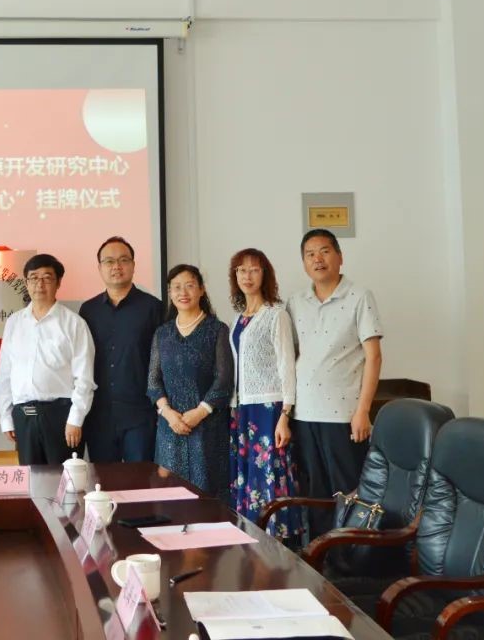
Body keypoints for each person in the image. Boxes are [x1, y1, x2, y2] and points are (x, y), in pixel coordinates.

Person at [287, 229, 383, 537]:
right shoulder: (295, 302)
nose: (318, 259)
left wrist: (363, 411)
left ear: (340, 257)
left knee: (349, 491)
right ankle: (320, 554)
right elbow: (291, 357)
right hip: (304, 414)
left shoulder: (359, 296)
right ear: (304, 263)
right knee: (314, 493)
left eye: (325, 251)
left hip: (344, 416)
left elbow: (374, 357)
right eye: (310, 254)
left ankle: (351, 554)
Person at [226, 249, 301, 539]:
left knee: (270, 471)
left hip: (269, 410)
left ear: (265, 275)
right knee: (247, 474)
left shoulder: (276, 315)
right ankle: (252, 534)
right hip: (242, 408)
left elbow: (287, 365)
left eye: (254, 270)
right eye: (241, 270)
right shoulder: (238, 318)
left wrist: (285, 414)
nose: (247, 276)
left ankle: (277, 538)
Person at [0, 254, 96, 465]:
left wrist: (75, 419)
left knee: (64, 480)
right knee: (31, 480)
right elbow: (5, 374)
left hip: (61, 416)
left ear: (58, 283)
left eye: (47, 278)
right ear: (26, 283)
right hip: (23, 416)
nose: (39, 284)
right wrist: (6, 418)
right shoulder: (14, 323)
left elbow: (84, 378)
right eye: (33, 278)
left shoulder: (74, 323)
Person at [147, 264, 233, 499]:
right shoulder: (162, 333)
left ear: (201, 290)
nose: (183, 293)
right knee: (169, 496)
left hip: (207, 427)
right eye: (176, 287)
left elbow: (224, 379)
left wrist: (200, 412)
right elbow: (153, 381)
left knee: (206, 495)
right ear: (170, 292)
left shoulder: (217, 330)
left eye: (189, 286)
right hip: (170, 427)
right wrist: (168, 413)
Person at [79, 237, 164, 463]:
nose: (116, 266)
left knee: (141, 478)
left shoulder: (153, 307)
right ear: (99, 268)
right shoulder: (88, 310)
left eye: (123, 260)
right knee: (102, 479)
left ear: (133, 265)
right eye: (109, 261)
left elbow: (162, 362)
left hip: (140, 412)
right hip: (98, 414)